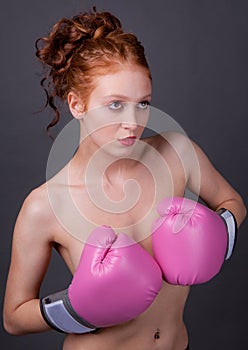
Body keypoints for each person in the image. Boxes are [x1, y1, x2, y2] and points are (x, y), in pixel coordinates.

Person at [3, 7, 246, 350]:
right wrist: (77, 309)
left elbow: (233, 202)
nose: (132, 121)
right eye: (115, 104)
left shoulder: (176, 153)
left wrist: (218, 233)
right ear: (77, 104)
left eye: (143, 103)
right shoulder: (45, 204)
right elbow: (13, 317)